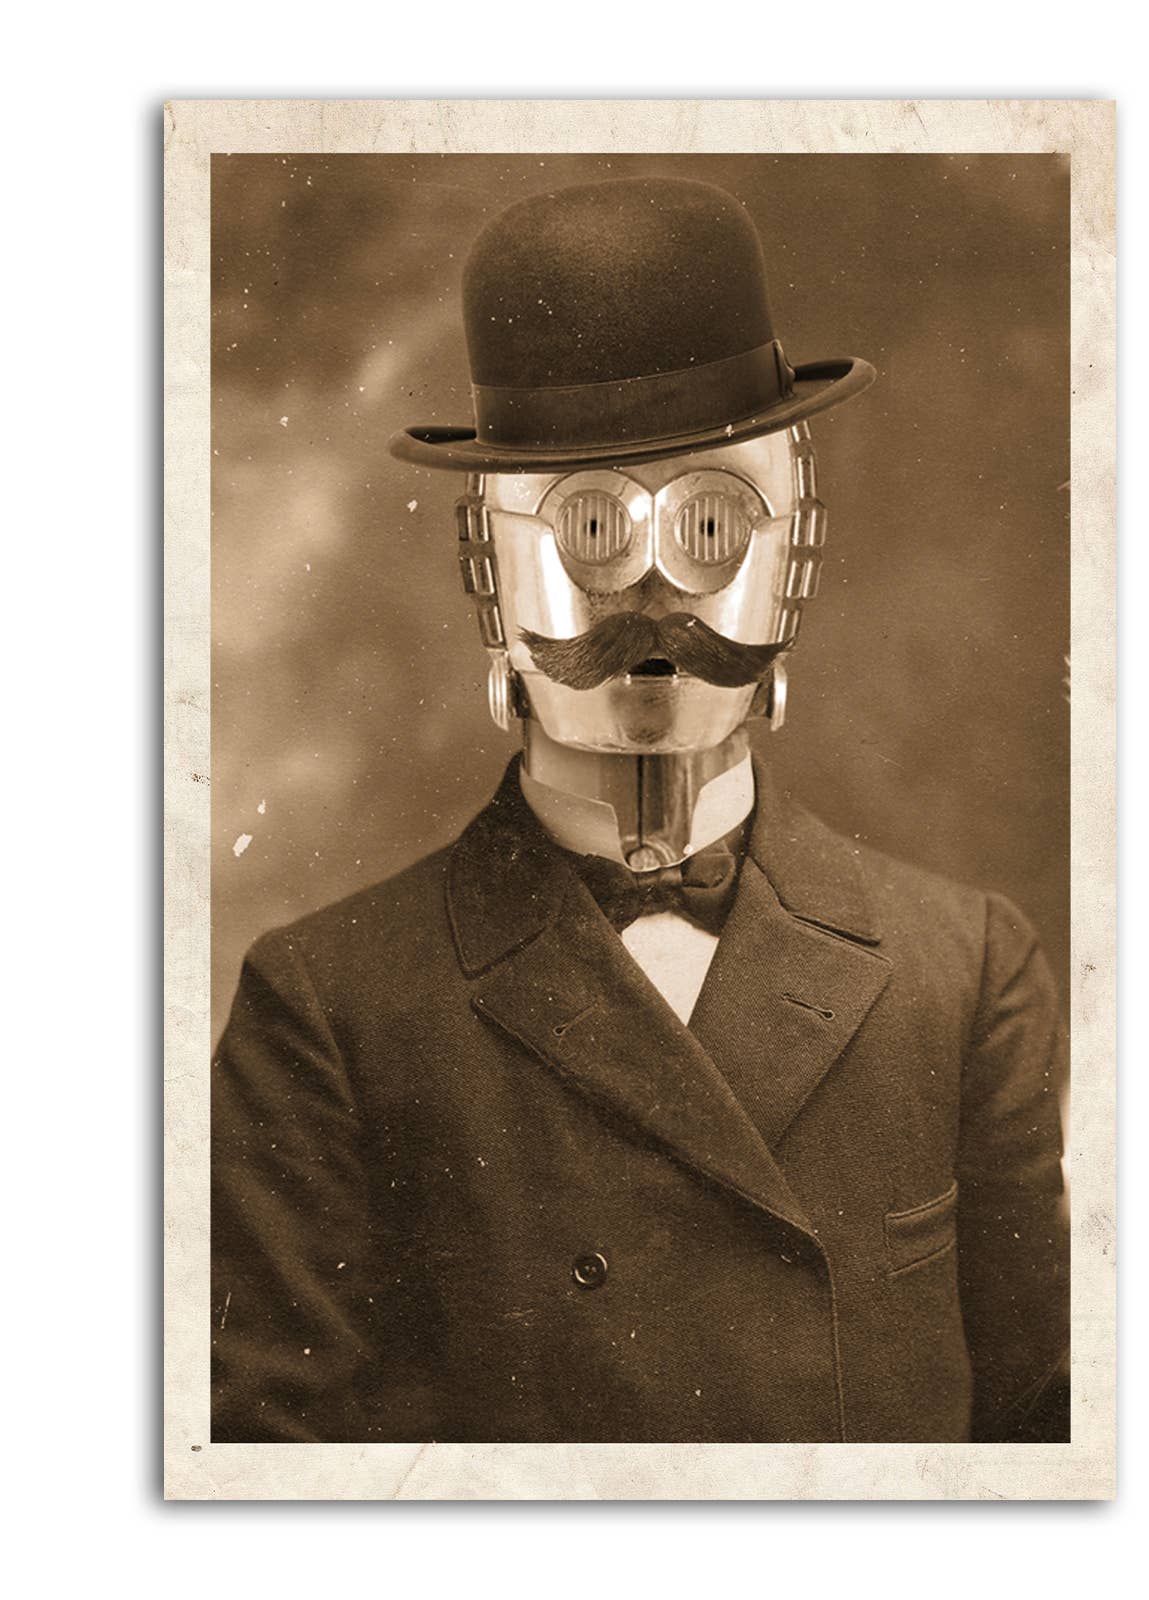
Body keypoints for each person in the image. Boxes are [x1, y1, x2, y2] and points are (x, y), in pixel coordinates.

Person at [211, 177, 1068, 1444]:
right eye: (593, 529)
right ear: (492, 570)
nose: (654, 599)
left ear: (788, 548)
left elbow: (1042, 1441)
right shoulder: (330, 1009)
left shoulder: (962, 972)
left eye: (711, 522)